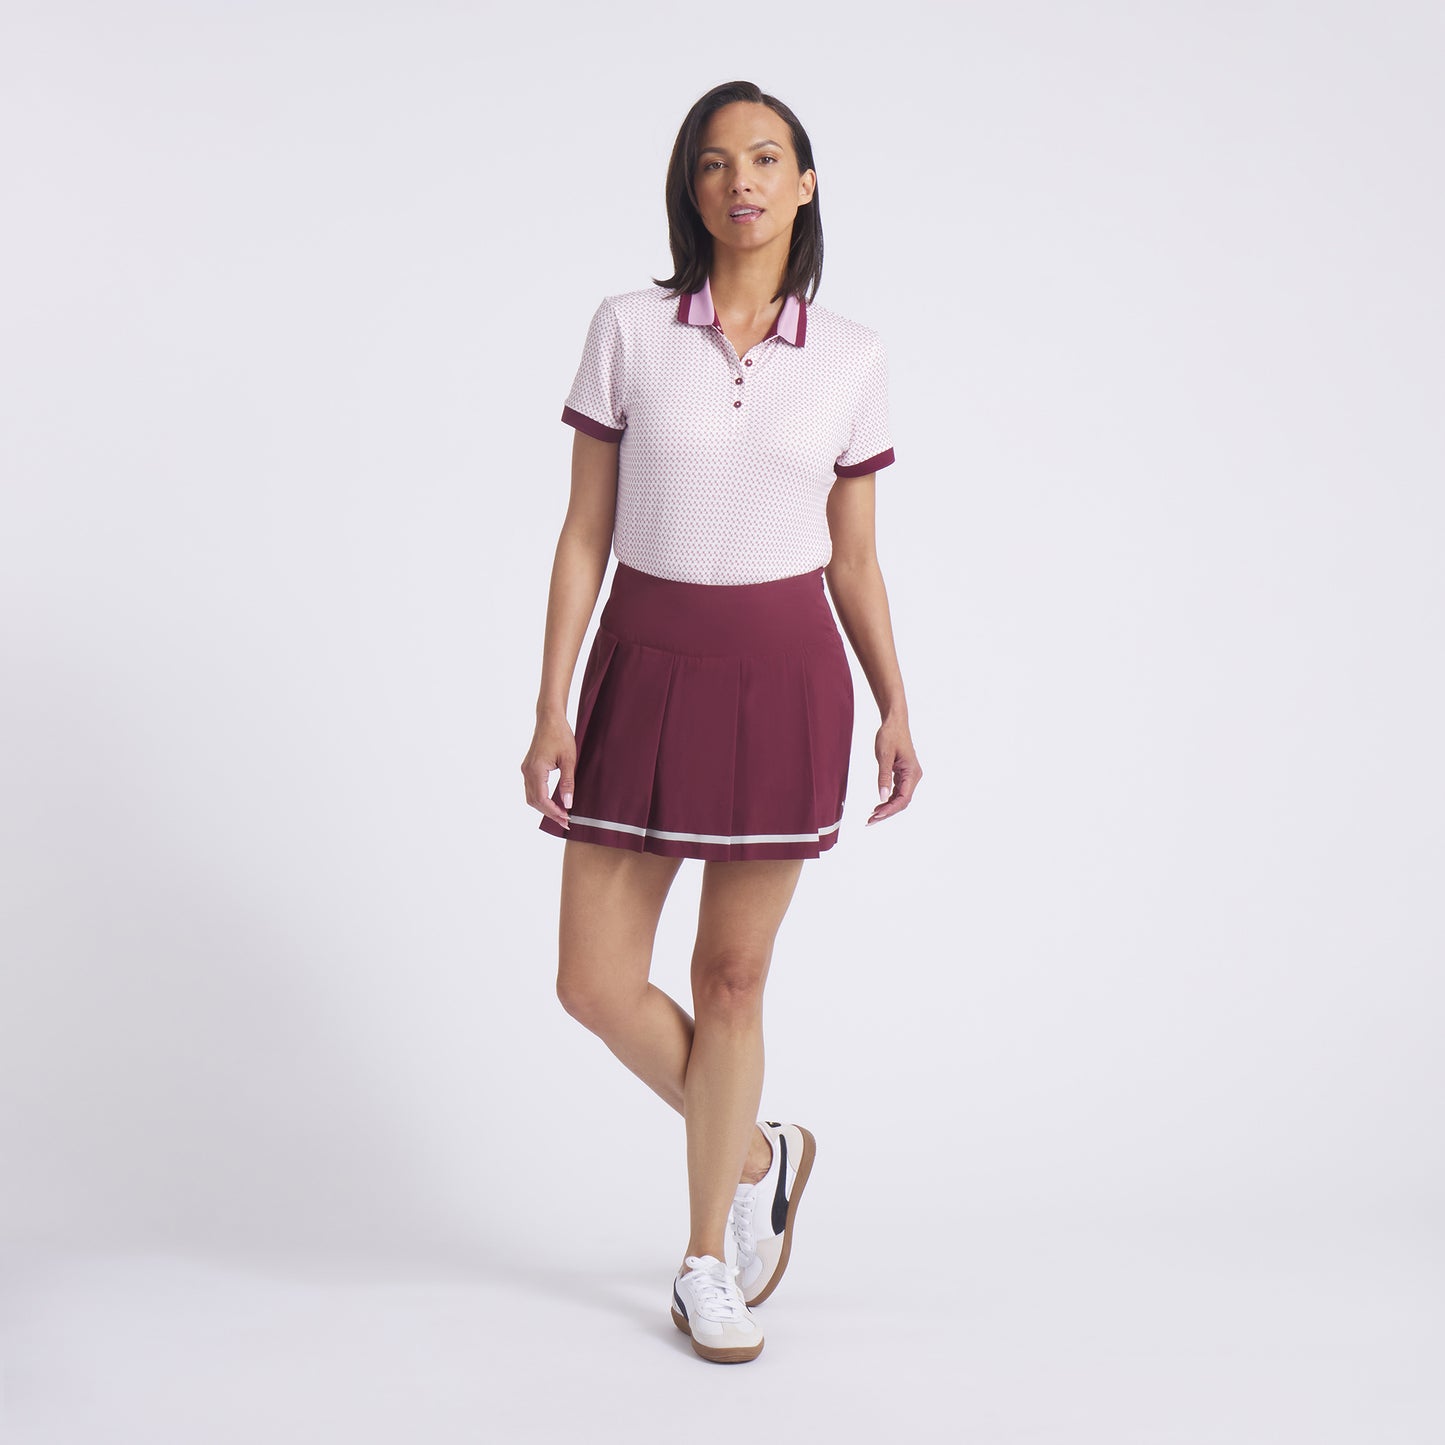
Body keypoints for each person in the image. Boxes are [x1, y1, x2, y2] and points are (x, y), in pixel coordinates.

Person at [520, 79, 922, 1364]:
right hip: (642, 665)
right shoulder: (627, 330)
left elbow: (853, 558)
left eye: (763, 157)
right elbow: (582, 533)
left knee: (730, 978)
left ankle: (705, 1259)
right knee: (592, 980)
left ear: (803, 184)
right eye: (711, 161)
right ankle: (756, 1153)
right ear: (688, 190)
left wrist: (895, 702)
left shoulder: (851, 355)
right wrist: (549, 702)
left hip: (784, 674)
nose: (738, 180)